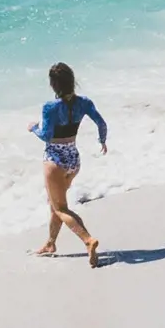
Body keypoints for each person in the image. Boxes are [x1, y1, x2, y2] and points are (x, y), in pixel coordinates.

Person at [35, 62, 107, 265]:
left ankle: (88, 240)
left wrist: (33, 128)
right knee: (55, 203)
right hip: (73, 159)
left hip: (55, 161)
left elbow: (47, 136)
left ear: (53, 85)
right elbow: (102, 123)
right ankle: (50, 243)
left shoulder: (50, 107)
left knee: (60, 208)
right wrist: (102, 141)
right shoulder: (84, 103)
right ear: (72, 80)